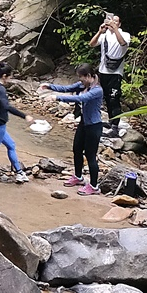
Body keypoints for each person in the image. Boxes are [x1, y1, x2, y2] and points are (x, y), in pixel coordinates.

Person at [40, 64, 104, 196]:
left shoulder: (97, 90)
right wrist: (50, 87)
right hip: (84, 123)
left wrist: (57, 98)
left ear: (88, 76)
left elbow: (81, 98)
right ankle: (78, 177)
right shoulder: (83, 85)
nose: (80, 81)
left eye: (81, 78)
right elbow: (67, 88)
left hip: (94, 126)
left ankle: (94, 186)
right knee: (76, 150)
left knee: (90, 156)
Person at [90, 13, 131, 136]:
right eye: (111, 21)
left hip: (115, 73)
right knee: (107, 98)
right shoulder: (105, 35)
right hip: (103, 71)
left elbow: (123, 43)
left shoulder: (124, 35)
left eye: (116, 21)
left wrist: (116, 29)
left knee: (114, 98)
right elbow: (91, 44)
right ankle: (110, 121)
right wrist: (99, 32)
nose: (113, 23)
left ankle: (115, 127)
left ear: (120, 24)